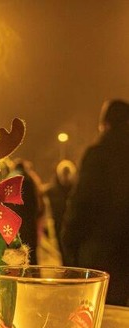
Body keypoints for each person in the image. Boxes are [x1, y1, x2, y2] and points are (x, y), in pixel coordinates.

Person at [61, 99, 129, 306]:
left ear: (105, 124)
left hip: (101, 252)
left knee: (101, 312)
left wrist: (69, 242)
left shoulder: (99, 154)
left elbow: (82, 202)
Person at [9, 159, 45, 264]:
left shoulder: (10, 178)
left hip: (13, 223)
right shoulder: (31, 179)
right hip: (29, 221)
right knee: (31, 253)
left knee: (16, 254)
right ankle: (33, 273)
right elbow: (38, 204)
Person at [44, 159, 77, 258]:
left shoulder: (76, 190)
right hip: (59, 225)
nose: (66, 177)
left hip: (72, 226)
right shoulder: (52, 191)